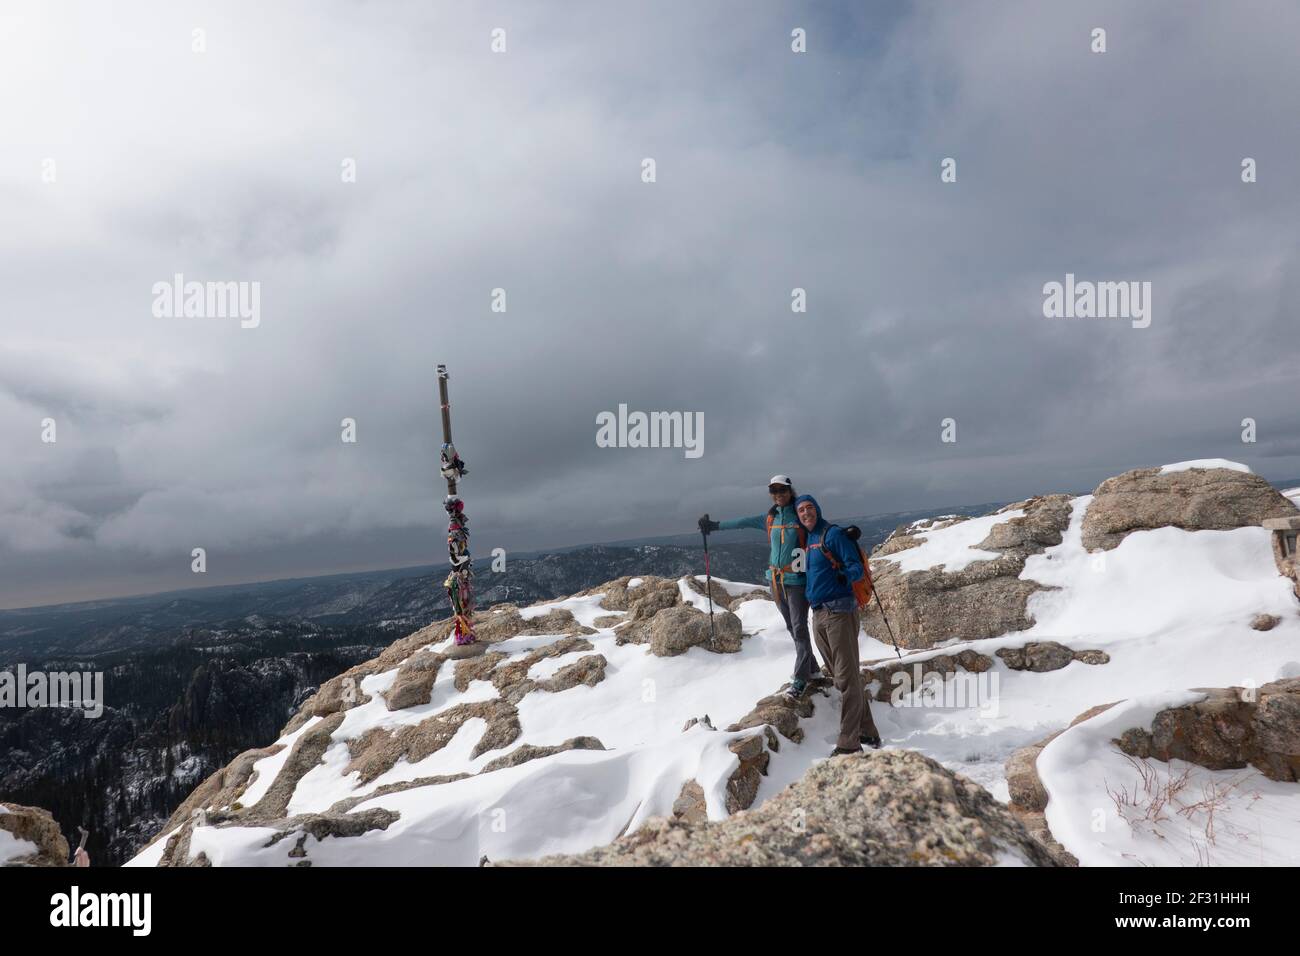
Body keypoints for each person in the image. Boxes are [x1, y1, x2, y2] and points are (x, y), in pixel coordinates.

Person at [698, 475, 822, 699]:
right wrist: (714, 526)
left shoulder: (800, 512)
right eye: (774, 492)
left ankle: (801, 678)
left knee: (799, 627)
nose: (778, 495)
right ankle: (812, 668)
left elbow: (819, 528)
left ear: (789, 491)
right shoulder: (770, 518)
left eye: (782, 491)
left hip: (798, 581)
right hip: (775, 581)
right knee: (792, 628)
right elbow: (742, 522)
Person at [794, 493, 882, 755]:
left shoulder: (832, 535)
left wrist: (843, 576)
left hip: (839, 613)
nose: (806, 513)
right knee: (843, 677)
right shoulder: (809, 539)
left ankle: (849, 742)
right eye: (801, 510)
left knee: (846, 678)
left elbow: (855, 567)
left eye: (810, 508)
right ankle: (869, 731)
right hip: (819, 614)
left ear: (817, 510)